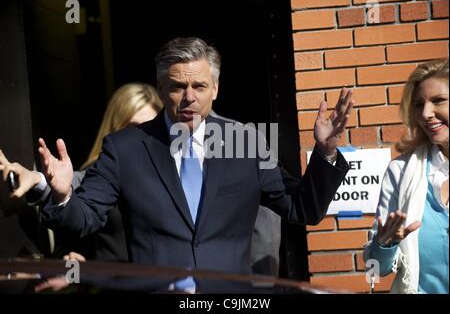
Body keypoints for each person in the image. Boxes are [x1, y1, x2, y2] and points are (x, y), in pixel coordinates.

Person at [38, 37, 353, 292]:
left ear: (215, 89)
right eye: (177, 87)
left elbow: (302, 209)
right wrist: (64, 195)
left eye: (199, 86)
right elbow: (85, 218)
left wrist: (325, 154)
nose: (189, 97)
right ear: (161, 89)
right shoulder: (125, 148)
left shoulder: (247, 142)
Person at [0, 82, 163, 261]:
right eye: (132, 128)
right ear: (114, 129)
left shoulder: (177, 170)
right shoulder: (103, 173)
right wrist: (36, 179)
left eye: (149, 128)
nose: (141, 137)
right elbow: (75, 187)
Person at [363, 58, 449, 294]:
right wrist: (384, 244)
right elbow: (373, 271)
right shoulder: (400, 172)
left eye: (438, 101)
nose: (426, 113)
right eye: (419, 104)